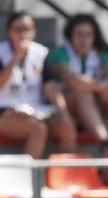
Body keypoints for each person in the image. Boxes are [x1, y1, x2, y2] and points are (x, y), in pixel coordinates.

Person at [47, 13, 108, 148]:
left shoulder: (100, 54)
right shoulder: (59, 54)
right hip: (66, 113)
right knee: (84, 94)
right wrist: (103, 87)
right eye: (79, 34)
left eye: (88, 35)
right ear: (70, 35)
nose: (84, 39)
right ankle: (104, 142)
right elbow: (73, 81)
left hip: (95, 108)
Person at [0, 12, 76, 158]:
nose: (23, 34)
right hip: (5, 112)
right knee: (38, 129)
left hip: (35, 109)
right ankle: (29, 177)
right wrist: (16, 58)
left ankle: (64, 175)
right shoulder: (1, 51)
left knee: (66, 125)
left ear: (34, 31)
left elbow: (50, 86)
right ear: (9, 32)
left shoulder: (41, 52)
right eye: (18, 30)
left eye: (27, 29)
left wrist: (63, 112)